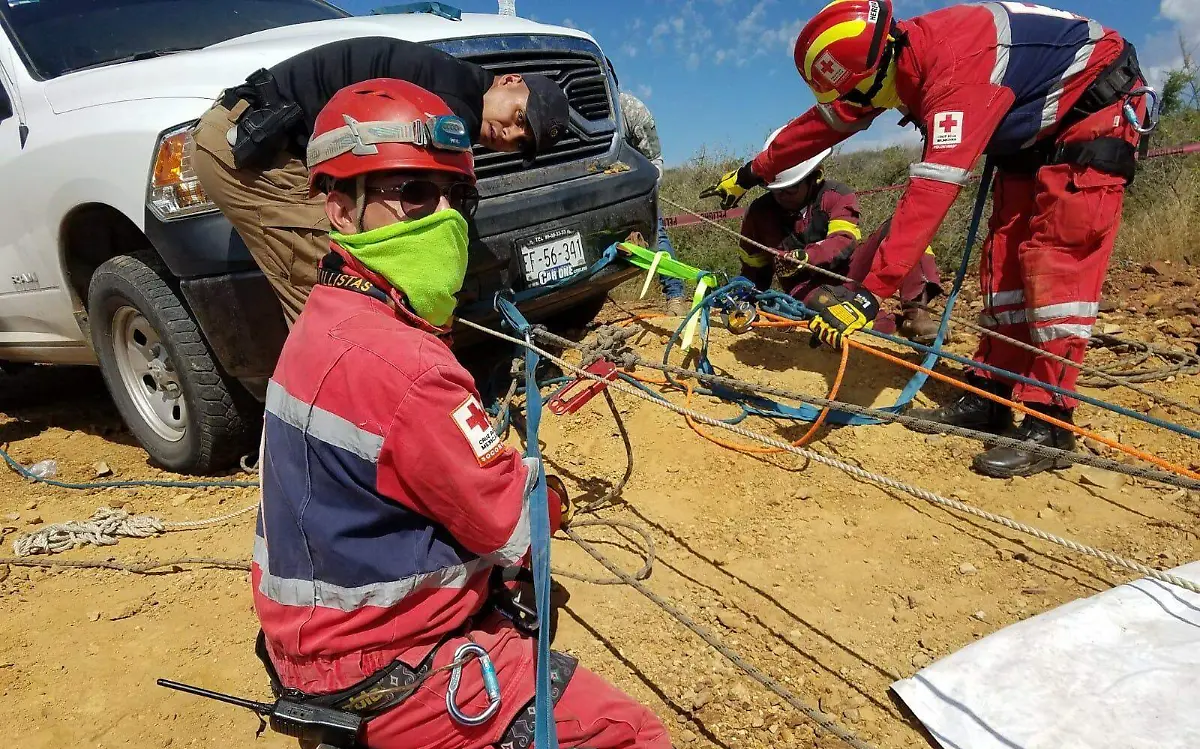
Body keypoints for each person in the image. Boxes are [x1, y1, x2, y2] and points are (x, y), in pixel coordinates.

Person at [251, 78, 670, 749]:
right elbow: (514, 522)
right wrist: (548, 494)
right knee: (628, 733)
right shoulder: (405, 365)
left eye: (456, 196)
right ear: (339, 208)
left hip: (310, 639)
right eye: (411, 192)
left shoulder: (320, 324)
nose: (441, 216)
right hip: (383, 665)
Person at [701, 1, 1151, 478]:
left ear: (876, 67)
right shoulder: (885, 65)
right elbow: (820, 126)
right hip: (1034, 133)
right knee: (1003, 264)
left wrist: (868, 296)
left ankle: (1051, 422)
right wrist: (752, 172)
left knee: (1055, 266)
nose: (860, 104)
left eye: (857, 92)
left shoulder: (956, 75)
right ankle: (991, 396)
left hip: (1094, 114)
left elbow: (928, 200)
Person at [190, 36, 570, 325]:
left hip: (268, 141)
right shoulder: (452, 105)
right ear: (509, 80)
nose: (508, 135)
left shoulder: (455, 86)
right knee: (336, 279)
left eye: (521, 143)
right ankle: (344, 409)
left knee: (341, 278)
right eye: (519, 118)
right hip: (246, 146)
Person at [737, 126, 942, 342]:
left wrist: (806, 256)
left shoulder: (836, 196)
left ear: (814, 178)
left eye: (790, 190)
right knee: (834, 317)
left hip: (849, 274)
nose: (782, 196)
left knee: (903, 230)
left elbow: (843, 241)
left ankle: (916, 314)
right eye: (776, 190)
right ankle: (889, 323)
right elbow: (753, 270)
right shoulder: (759, 214)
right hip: (805, 290)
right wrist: (742, 300)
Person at [610, 62, 688, 316]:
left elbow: (654, 160)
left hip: (637, 188)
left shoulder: (631, 110)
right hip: (598, 192)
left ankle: (675, 295)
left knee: (658, 235)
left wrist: (643, 200)